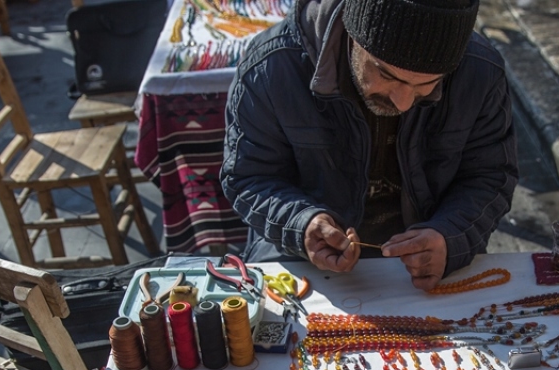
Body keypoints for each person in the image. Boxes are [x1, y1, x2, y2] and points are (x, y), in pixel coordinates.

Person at [221, 0, 518, 291]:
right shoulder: (271, 67)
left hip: (429, 264)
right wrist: (301, 224)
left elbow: (491, 175)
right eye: (386, 74)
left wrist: (450, 236)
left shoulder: (481, 72)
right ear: (351, 32)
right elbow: (249, 177)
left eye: (427, 85)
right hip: (299, 257)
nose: (402, 102)